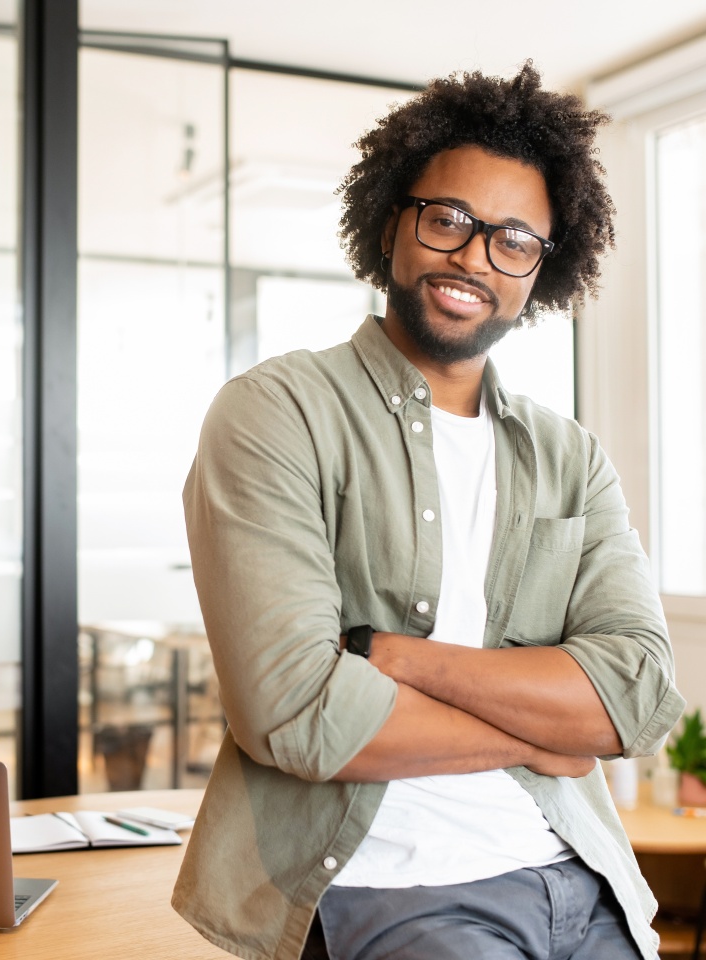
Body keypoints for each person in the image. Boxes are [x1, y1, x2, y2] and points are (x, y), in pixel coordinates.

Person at [171, 62, 686, 960]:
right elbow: (300, 714)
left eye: (514, 240)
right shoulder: (277, 411)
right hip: (392, 892)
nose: (474, 258)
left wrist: (397, 659)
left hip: (586, 876)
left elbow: (634, 703)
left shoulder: (571, 457)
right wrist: (547, 737)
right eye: (448, 219)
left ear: (543, 269)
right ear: (390, 222)